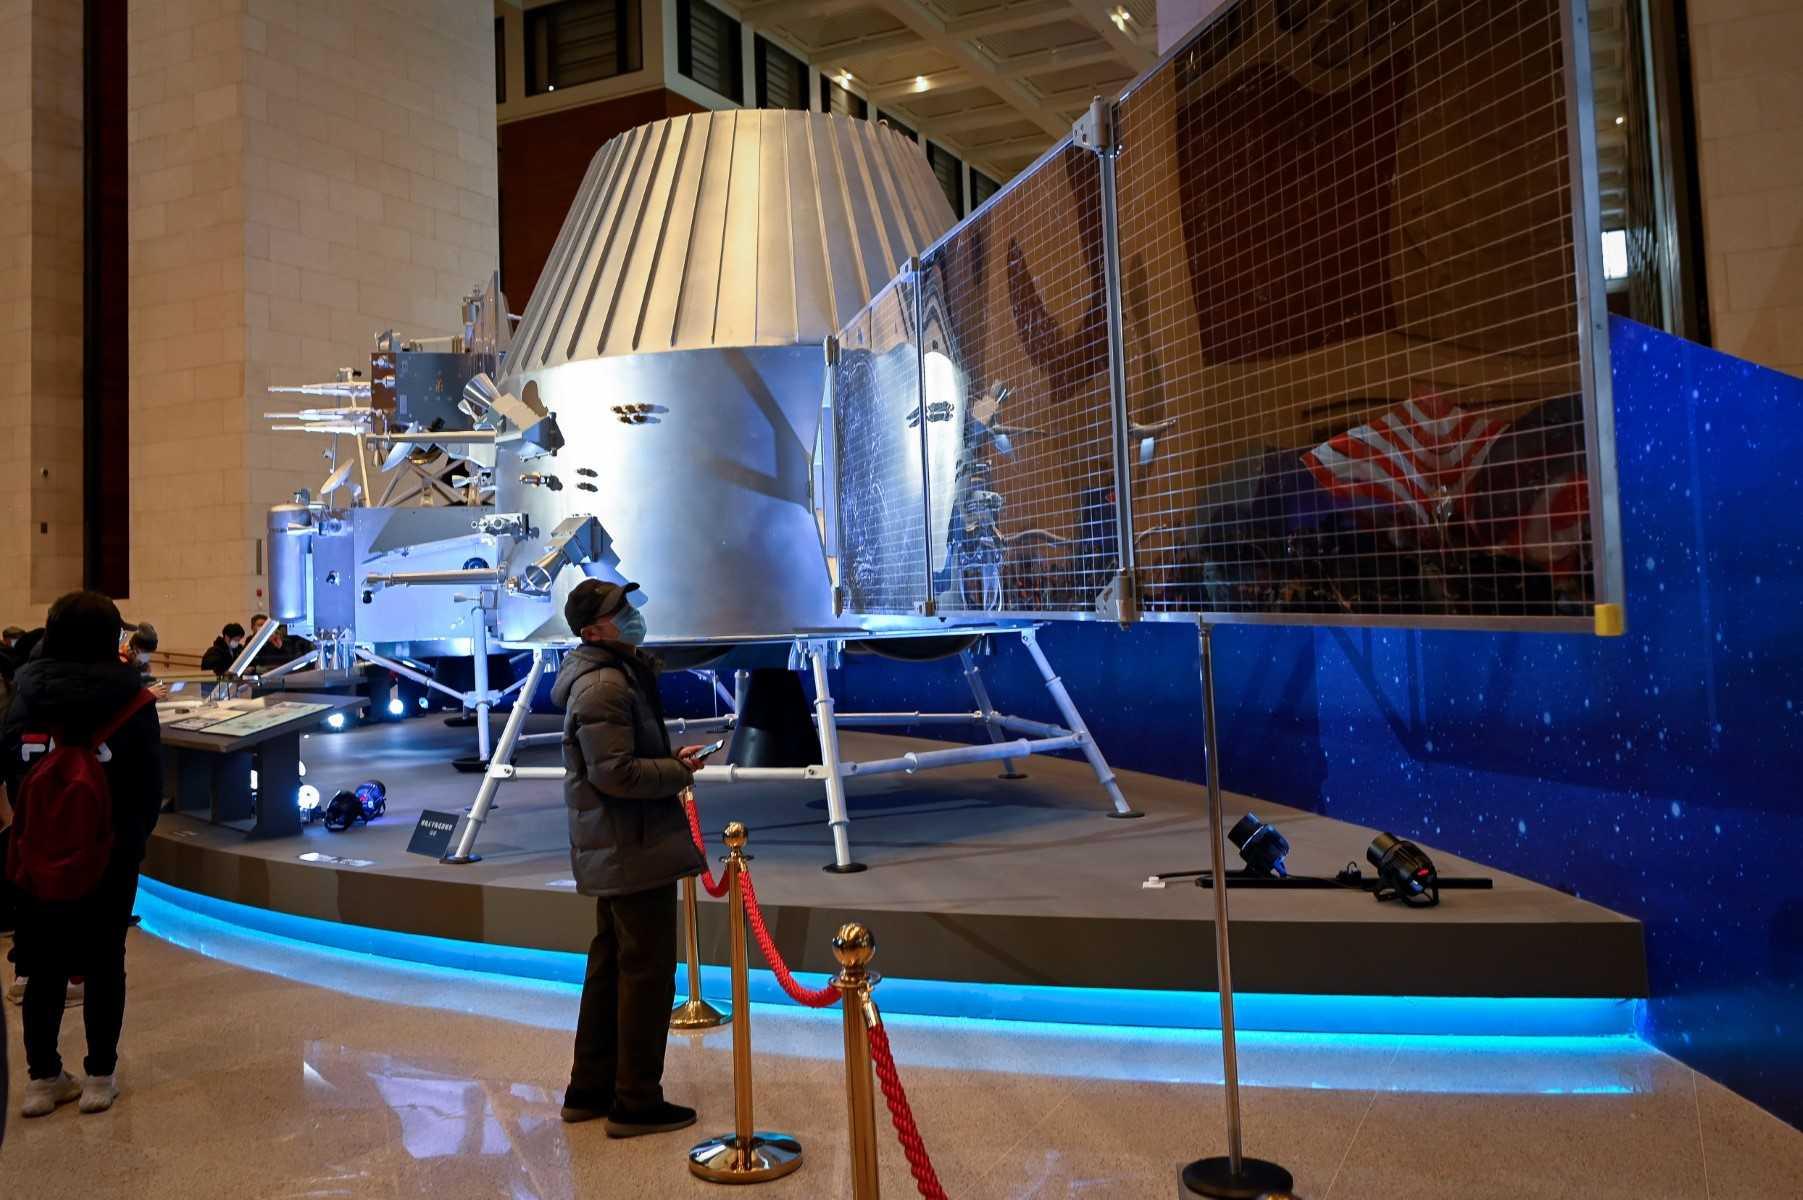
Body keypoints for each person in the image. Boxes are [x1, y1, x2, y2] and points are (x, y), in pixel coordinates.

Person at [551, 579, 710, 1136]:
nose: (635, 616)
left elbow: (616, 756)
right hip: (630, 848)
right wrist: (677, 772)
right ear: (595, 631)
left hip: (621, 847)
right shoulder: (603, 687)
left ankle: (588, 1090)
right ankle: (636, 1101)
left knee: (612, 969)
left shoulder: (614, 677)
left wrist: (666, 758)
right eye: (623, 611)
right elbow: (614, 774)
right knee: (645, 976)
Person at [1, 590, 163, 1118]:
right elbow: (146, 786)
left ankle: (42, 1080)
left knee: (42, 966)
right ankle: (99, 1077)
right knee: (103, 961)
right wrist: (130, 845)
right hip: (108, 855)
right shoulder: (133, 701)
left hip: (37, 852)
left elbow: (13, 777)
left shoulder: (22, 697)